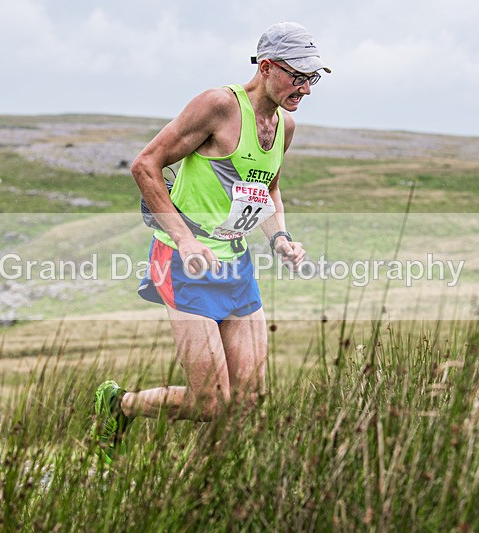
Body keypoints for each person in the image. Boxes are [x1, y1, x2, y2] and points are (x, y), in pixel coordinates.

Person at [94, 22, 330, 461]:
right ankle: (119, 404)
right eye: (298, 76)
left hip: (235, 264)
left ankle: (214, 489)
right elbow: (146, 165)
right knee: (211, 403)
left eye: (312, 78)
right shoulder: (219, 106)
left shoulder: (285, 126)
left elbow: (268, 188)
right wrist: (184, 240)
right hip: (185, 262)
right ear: (267, 67)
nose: (307, 88)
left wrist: (280, 237)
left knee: (251, 402)